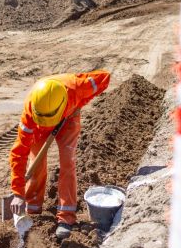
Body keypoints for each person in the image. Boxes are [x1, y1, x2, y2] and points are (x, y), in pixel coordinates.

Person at [9, 71, 110, 239]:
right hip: (38, 125)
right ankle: (33, 209)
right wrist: (18, 193)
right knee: (36, 163)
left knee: (67, 163)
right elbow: (18, 154)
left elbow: (104, 77)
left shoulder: (77, 87)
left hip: (68, 118)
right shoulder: (30, 115)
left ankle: (66, 217)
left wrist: (80, 101)